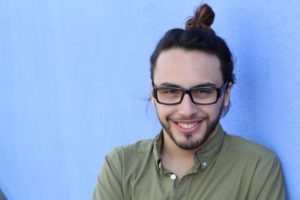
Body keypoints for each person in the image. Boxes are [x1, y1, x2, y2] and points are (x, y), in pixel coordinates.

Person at [92, 3, 285, 199]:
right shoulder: (121, 167)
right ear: (153, 94)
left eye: (202, 91)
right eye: (171, 91)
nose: (187, 110)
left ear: (226, 93)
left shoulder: (257, 168)